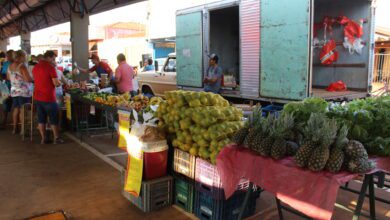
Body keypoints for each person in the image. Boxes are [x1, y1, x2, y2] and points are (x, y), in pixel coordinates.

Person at [32, 50, 64, 144]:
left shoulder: (36, 67)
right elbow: (56, 83)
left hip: (38, 97)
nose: (54, 61)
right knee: (54, 118)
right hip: (49, 97)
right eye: (53, 59)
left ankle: (43, 139)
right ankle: (57, 138)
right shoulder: (50, 67)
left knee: (41, 119)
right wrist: (59, 83)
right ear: (49, 57)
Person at [7, 50, 33, 134]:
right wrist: (33, 80)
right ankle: (23, 130)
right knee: (23, 110)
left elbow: (8, 78)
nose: (26, 58)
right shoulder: (22, 66)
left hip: (14, 91)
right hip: (23, 91)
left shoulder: (10, 66)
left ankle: (15, 129)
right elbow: (27, 79)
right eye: (25, 56)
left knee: (16, 109)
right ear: (21, 56)